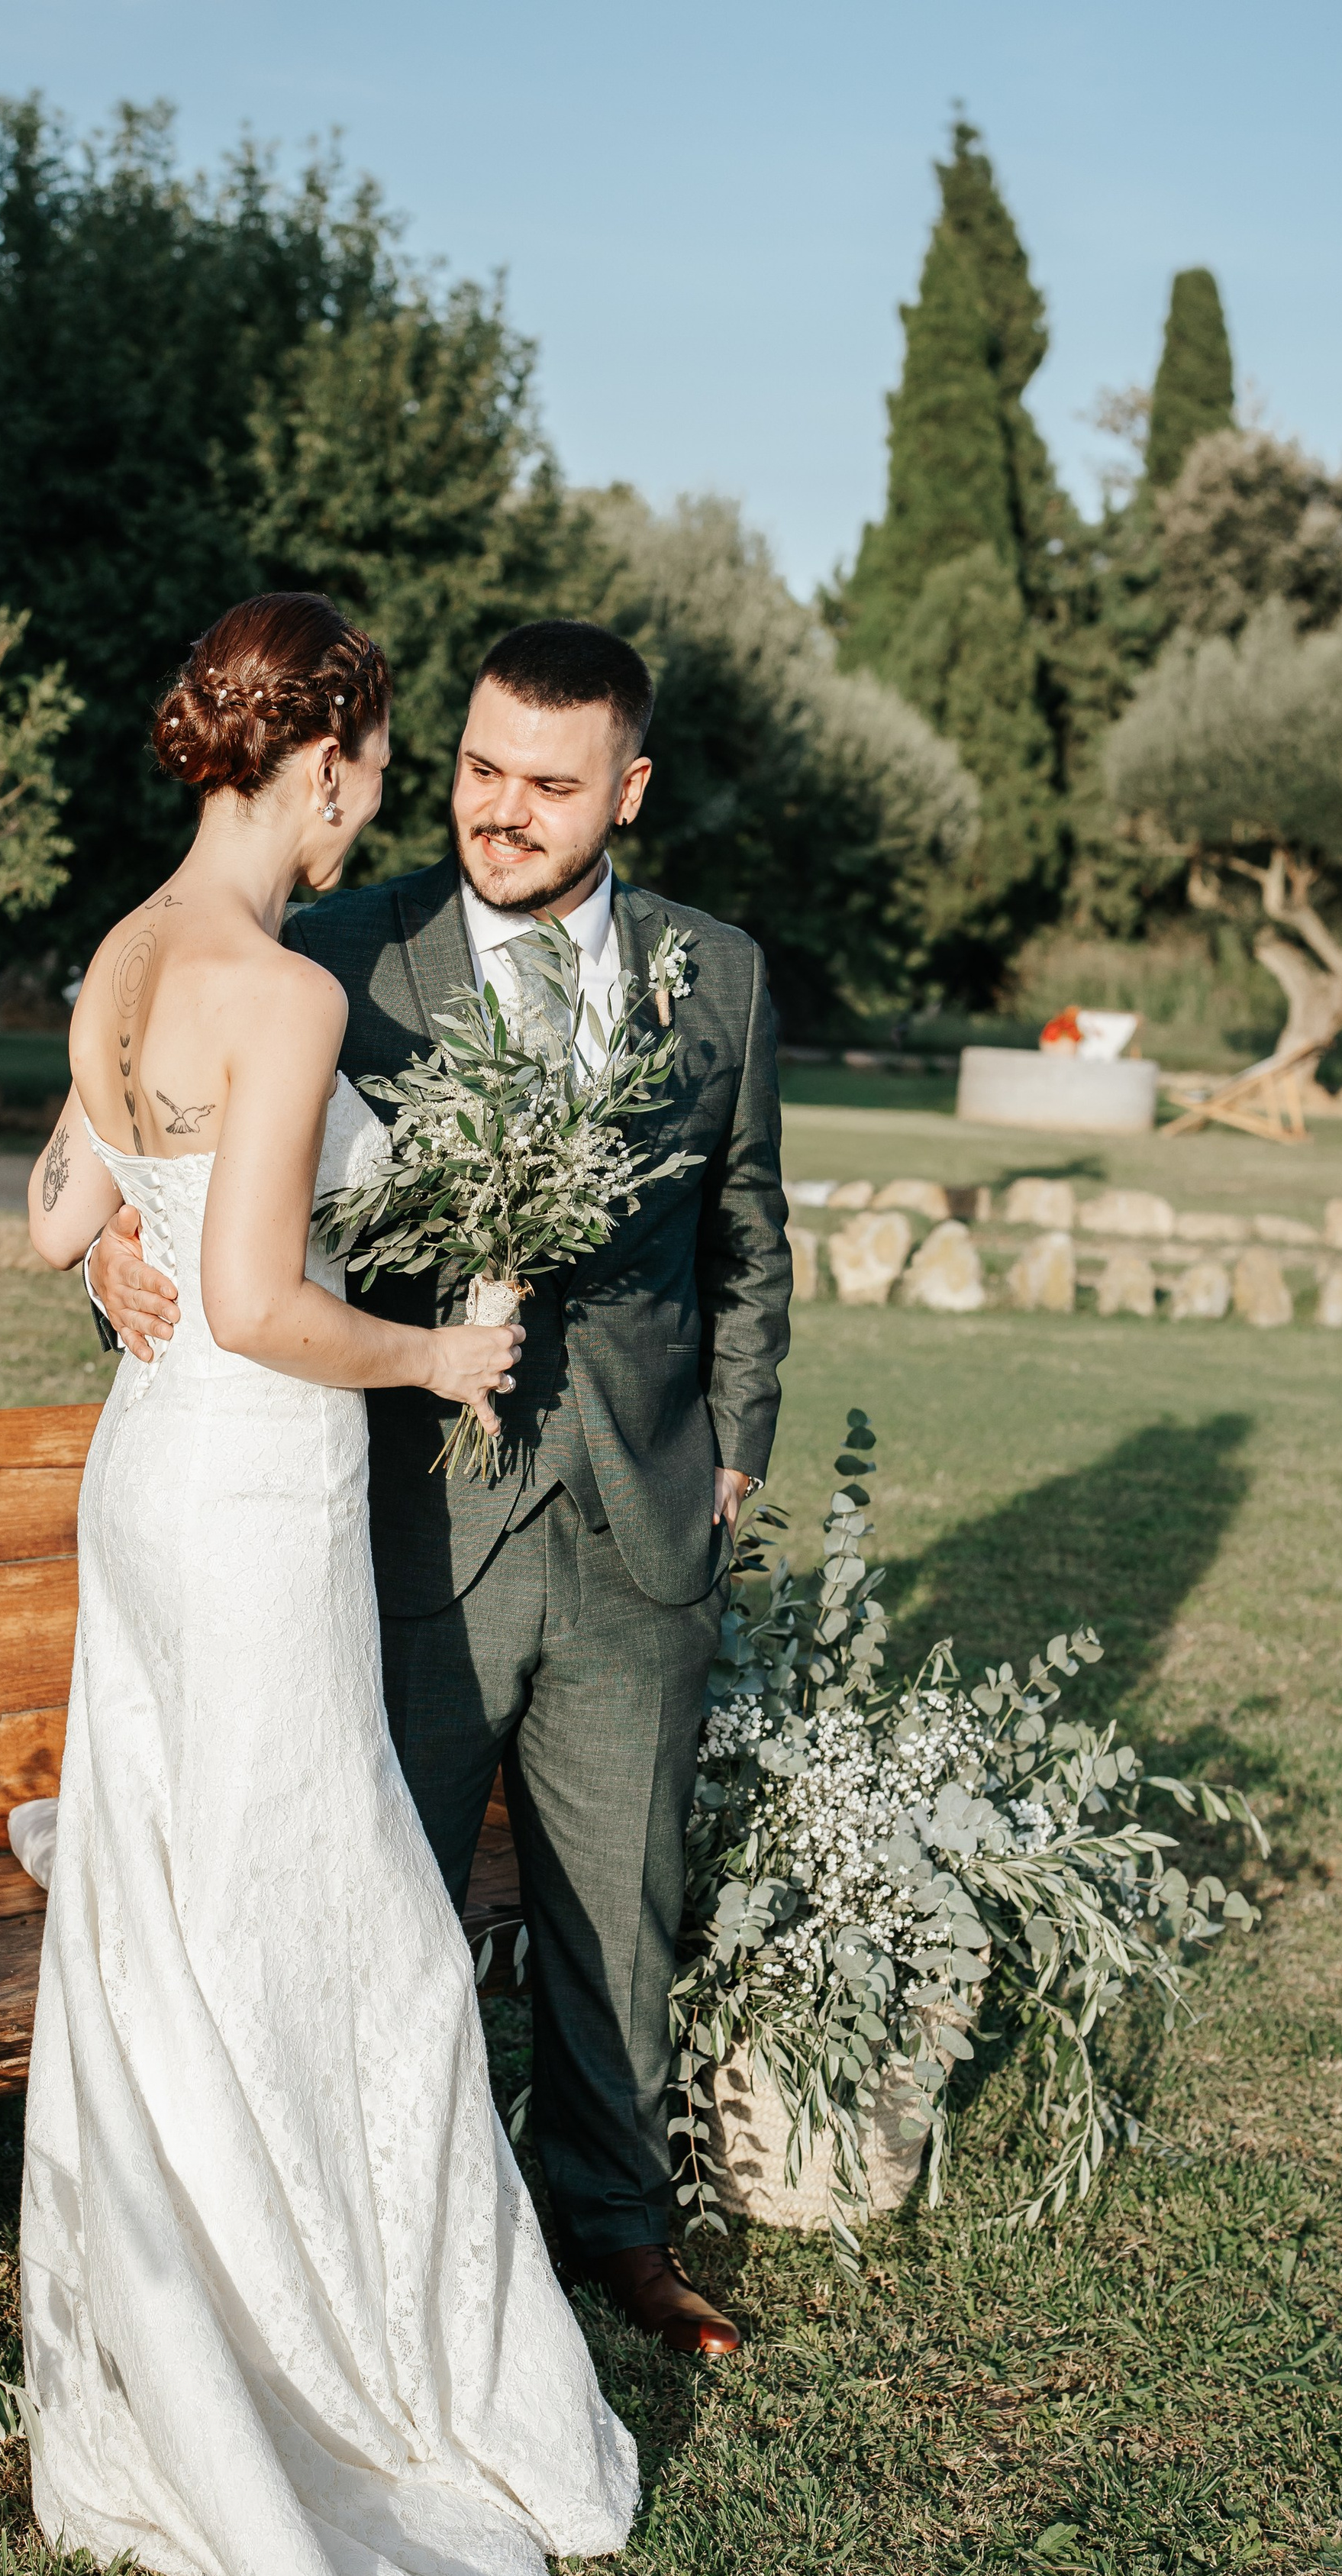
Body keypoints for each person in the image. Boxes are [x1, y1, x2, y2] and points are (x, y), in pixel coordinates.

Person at [19, 592, 639, 2576]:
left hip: (145, 1483)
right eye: (383, 760)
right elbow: (275, 1305)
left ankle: (242, 2335)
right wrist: (445, 1350)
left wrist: (122, 1225)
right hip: (257, 1491)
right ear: (335, 760)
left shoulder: (125, 951)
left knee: (199, 1915)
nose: (393, 792)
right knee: (341, 1938)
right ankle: (338, 2380)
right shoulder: (277, 993)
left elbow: (45, 1213)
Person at [91, 618, 793, 2359]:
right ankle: (376, 2251)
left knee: (614, 1912)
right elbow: (166, 1147)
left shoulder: (718, 975)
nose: (497, 810)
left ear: (624, 789)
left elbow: (750, 1241)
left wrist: (737, 1453)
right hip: (398, 1533)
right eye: (477, 768)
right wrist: (106, 1247)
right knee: (372, 1915)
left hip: (637, 1525)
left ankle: (614, 2228)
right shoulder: (334, 945)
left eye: (546, 786)